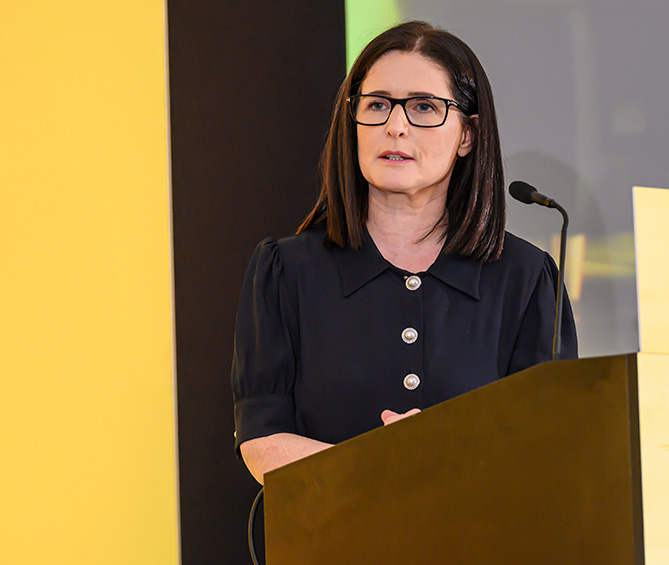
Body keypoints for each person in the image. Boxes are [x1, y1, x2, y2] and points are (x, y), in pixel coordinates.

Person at [232, 20, 578, 485]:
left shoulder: (526, 278)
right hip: (330, 533)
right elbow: (263, 441)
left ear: (468, 135)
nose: (395, 127)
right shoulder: (286, 271)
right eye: (377, 105)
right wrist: (389, 465)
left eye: (424, 107)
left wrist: (434, 461)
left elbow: (549, 450)